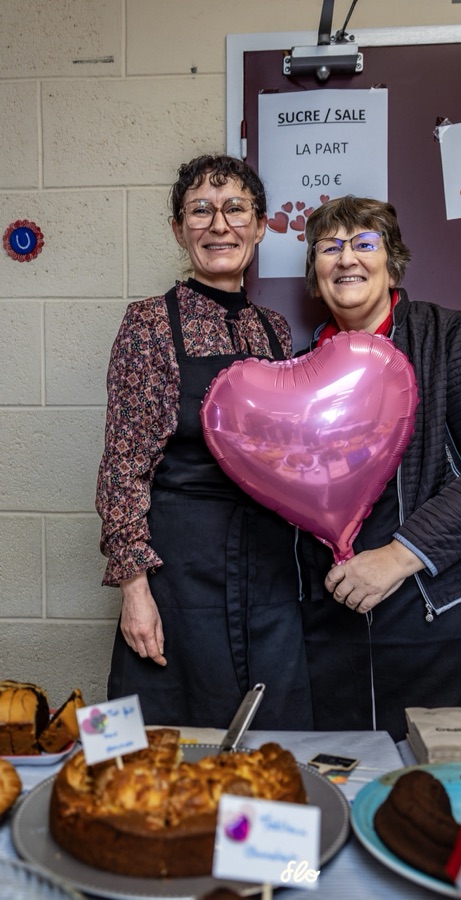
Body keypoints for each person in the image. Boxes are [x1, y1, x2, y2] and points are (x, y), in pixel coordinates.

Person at [298, 196, 461, 742]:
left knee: (447, 801)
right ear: (314, 270)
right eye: (329, 247)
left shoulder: (446, 334)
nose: (346, 258)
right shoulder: (298, 364)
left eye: (365, 243)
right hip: (336, 633)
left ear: (392, 261)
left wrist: (396, 558)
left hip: (443, 618)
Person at [96, 154, 313, 730]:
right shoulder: (148, 323)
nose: (220, 225)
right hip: (181, 574)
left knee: (274, 740)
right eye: (200, 210)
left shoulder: (276, 330)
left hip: (269, 571)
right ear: (178, 228)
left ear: (261, 225)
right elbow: (123, 466)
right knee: (171, 749)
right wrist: (134, 591)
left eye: (235, 208)